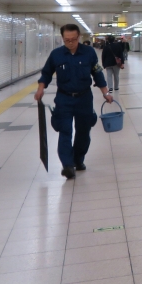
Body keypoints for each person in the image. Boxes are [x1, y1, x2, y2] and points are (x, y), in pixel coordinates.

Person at [35, 23, 113, 179]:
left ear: (79, 37)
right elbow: (46, 72)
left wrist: (105, 92)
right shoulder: (56, 54)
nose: (70, 42)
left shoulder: (89, 53)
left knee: (83, 132)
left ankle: (78, 160)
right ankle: (67, 165)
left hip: (84, 98)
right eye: (66, 40)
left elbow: (97, 73)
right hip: (64, 98)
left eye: (73, 39)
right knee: (65, 130)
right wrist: (40, 88)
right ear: (62, 38)